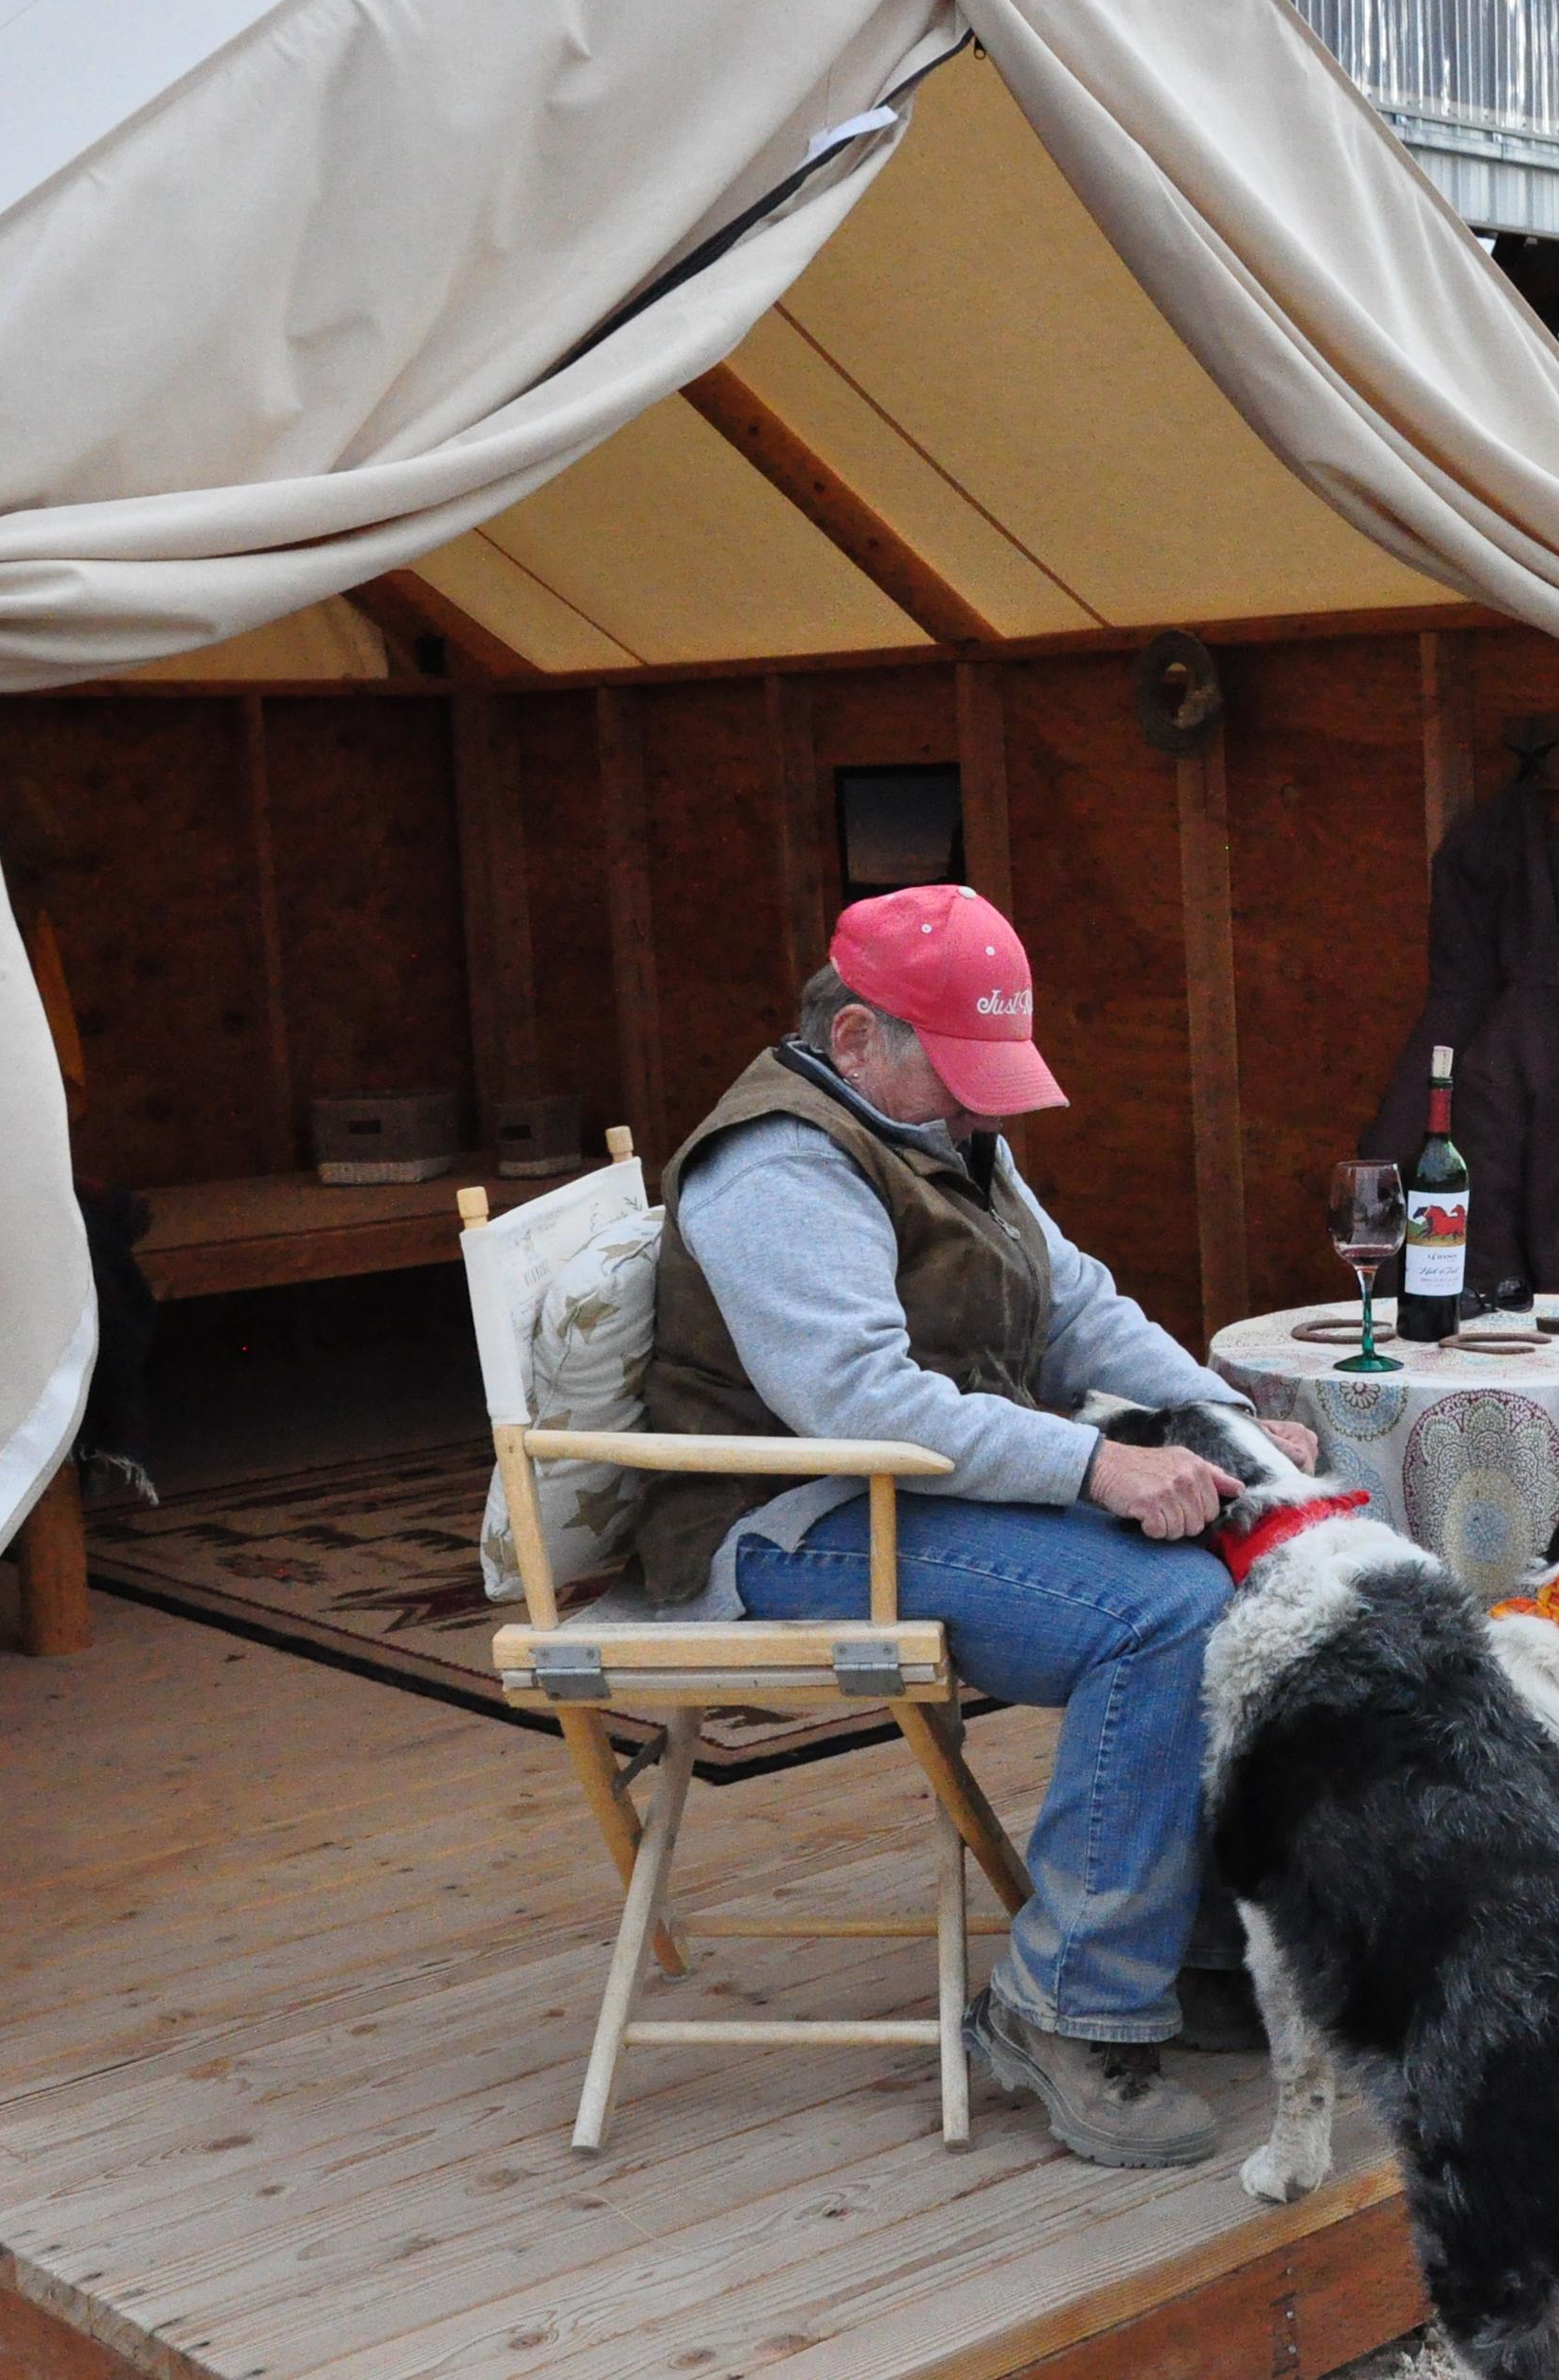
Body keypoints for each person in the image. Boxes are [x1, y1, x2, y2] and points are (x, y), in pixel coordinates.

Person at [632, 884, 1322, 2170]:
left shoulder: (932, 1129)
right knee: (1161, 1611)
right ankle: (1064, 2009)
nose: (985, 1106)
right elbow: (860, 1403)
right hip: (782, 1514)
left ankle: (1193, 1941)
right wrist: (1098, 1467)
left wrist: (1216, 1416)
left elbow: (1076, 1307)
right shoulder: (777, 1163)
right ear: (854, 1041)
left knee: (1250, 1561)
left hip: (901, 1491)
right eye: (960, 1072)